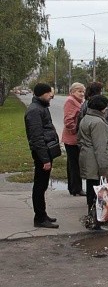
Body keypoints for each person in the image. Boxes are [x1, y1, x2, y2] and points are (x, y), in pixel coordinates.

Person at [24, 83, 60, 229]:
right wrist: (45, 159)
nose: (51, 96)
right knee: (40, 186)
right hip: (41, 153)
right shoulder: (34, 111)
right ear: (41, 94)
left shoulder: (41, 107)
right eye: (49, 93)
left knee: (42, 185)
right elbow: (37, 137)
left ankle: (42, 214)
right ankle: (39, 218)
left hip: (45, 152)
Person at [78, 95, 108, 229]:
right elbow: (100, 148)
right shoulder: (98, 123)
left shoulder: (86, 118)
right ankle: (97, 220)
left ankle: (93, 217)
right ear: (102, 108)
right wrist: (104, 169)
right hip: (95, 161)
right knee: (97, 191)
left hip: (87, 158)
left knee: (91, 188)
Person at [62, 82, 86, 196]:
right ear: (72, 92)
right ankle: (76, 188)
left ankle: (73, 187)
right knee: (75, 164)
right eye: (79, 91)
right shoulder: (70, 101)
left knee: (72, 164)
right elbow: (68, 120)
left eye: (83, 91)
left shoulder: (77, 101)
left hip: (73, 138)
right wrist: (75, 132)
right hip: (72, 138)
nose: (82, 94)